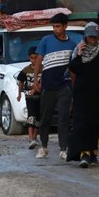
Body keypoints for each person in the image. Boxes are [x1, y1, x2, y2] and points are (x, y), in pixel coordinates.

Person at [65, 22, 99, 168]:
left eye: (94, 37)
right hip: (82, 94)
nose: (92, 40)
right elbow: (74, 69)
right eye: (90, 37)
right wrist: (79, 55)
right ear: (85, 37)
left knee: (95, 124)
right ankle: (84, 154)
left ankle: (93, 153)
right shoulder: (79, 50)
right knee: (82, 124)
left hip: (98, 95)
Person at [32, 13, 79, 160]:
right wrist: (36, 80)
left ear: (65, 26)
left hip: (64, 86)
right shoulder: (46, 40)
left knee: (63, 118)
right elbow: (39, 60)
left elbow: (72, 69)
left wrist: (74, 86)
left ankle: (63, 149)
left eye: (58, 26)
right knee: (45, 118)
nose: (55, 29)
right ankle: (43, 147)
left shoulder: (72, 45)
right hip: (48, 86)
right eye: (53, 26)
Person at [16, 47, 41, 150]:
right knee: (31, 116)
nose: (33, 60)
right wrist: (19, 94)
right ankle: (31, 138)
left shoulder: (43, 69)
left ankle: (34, 137)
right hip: (30, 97)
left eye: (36, 58)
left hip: (40, 97)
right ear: (29, 58)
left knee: (38, 117)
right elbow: (21, 82)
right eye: (31, 58)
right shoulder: (26, 70)